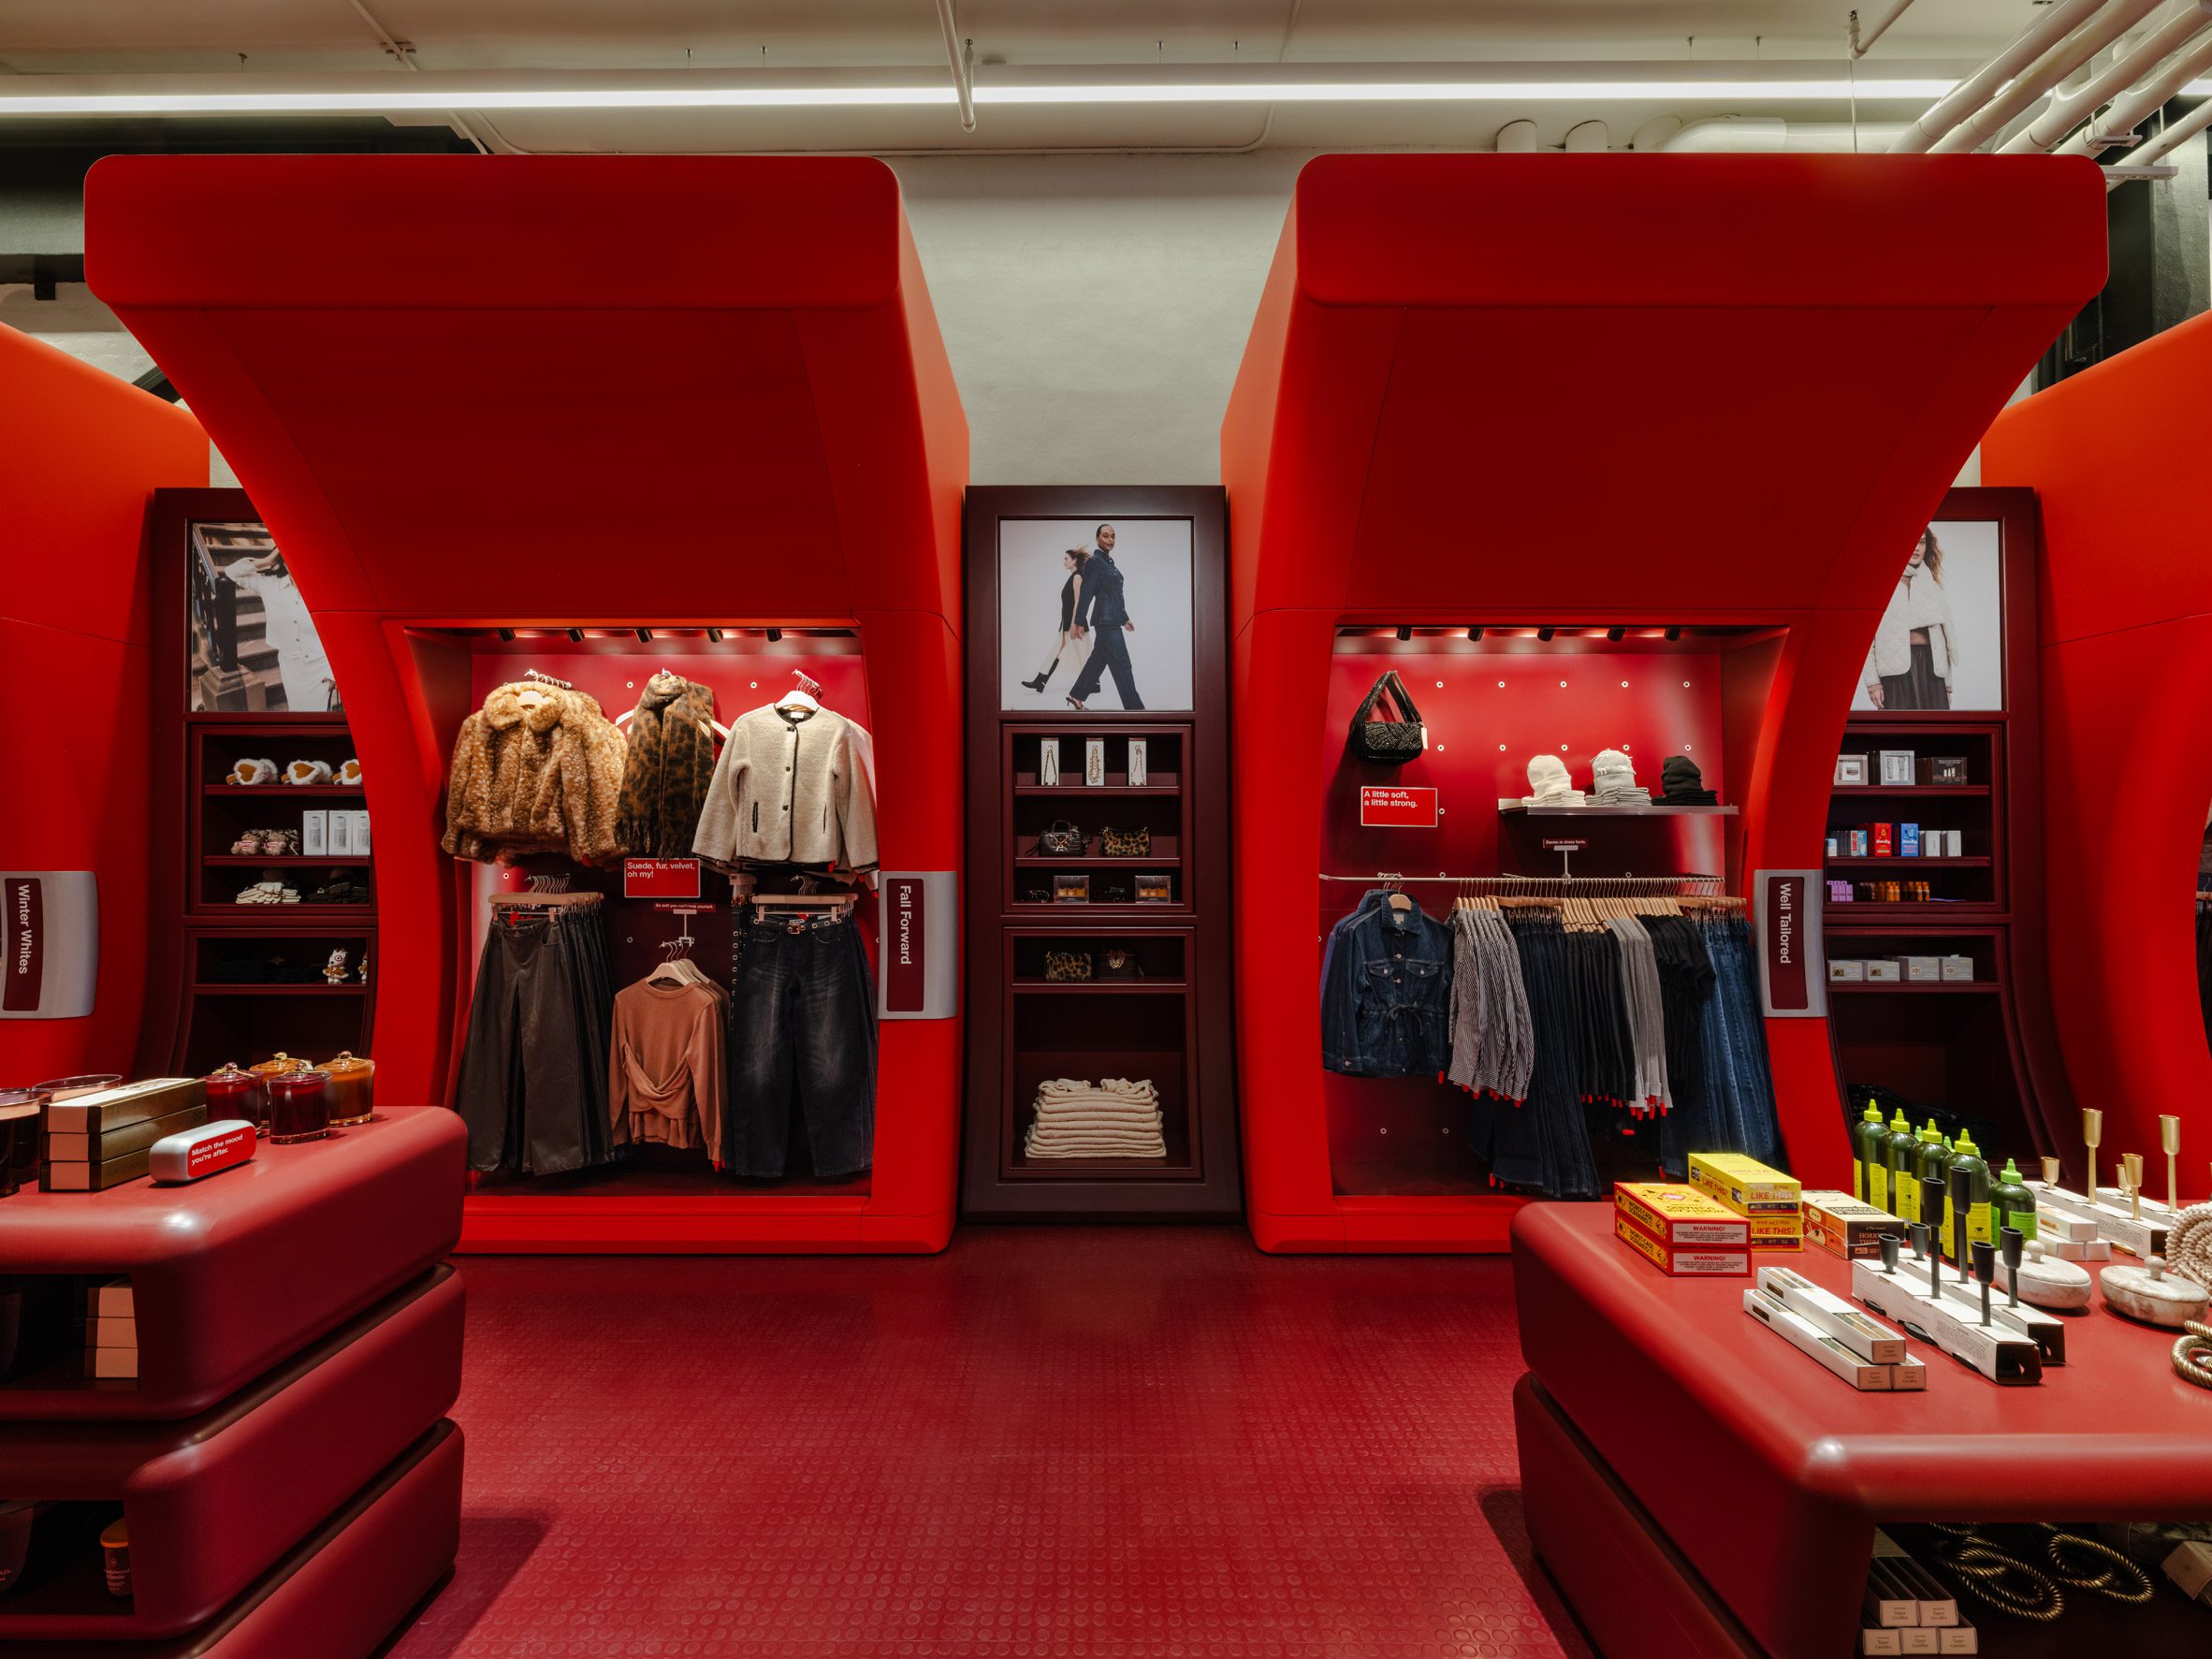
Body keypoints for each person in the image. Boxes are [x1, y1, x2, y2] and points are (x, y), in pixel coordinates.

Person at [223, 549, 336, 711]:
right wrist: (266, 561)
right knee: (296, 712)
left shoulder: (323, 589)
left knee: (319, 718)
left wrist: (333, 672)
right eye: (291, 559)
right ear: (284, 562)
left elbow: (335, 633)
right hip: (291, 667)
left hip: (320, 669)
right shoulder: (268, 584)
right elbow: (231, 572)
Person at [1863, 528, 1957, 711]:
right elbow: (1866, 640)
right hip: (1895, 671)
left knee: (1936, 734)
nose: (1916, 548)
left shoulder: (1933, 587)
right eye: (1911, 542)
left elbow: (1943, 639)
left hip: (1932, 671)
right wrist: (1873, 683)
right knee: (1901, 734)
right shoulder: (1881, 586)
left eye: (1921, 542)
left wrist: (1947, 684)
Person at [1065, 523, 1143, 710]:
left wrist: (1125, 618)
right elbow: (1086, 593)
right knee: (1123, 665)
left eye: (1113, 536)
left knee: (1098, 660)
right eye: (1106, 536)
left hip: (1113, 621)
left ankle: (1075, 696)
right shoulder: (1095, 562)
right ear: (1097, 539)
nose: (1110, 540)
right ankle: (1136, 711)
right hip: (1105, 622)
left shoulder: (1110, 564)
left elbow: (1115, 595)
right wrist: (1079, 621)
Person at [1020, 548, 1090, 693]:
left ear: (1074, 560)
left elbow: (1079, 602)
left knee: (1084, 651)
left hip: (1074, 623)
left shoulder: (1077, 577)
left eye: (1066, 558)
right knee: (1057, 651)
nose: (1064, 561)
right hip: (1067, 623)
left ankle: (1094, 683)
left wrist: (1074, 623)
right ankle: (1041, 681)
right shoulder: (1073, 577)